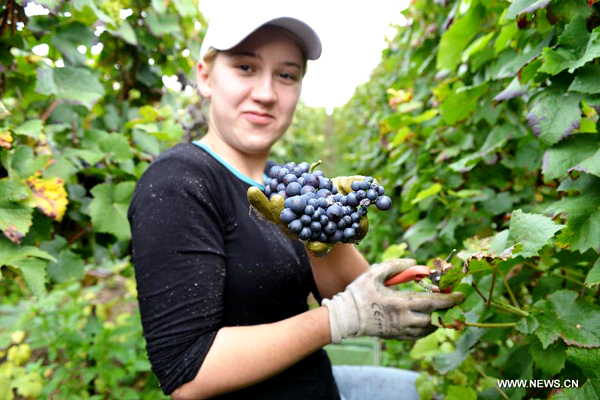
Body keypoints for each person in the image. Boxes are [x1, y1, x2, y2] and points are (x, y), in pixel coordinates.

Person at [127, 9, 465, 400]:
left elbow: (349, 292)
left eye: (286, 74)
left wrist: (331, 231)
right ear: (205, 76)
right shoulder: (178, 182)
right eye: (245, 67)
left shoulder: (282, 184)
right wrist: (338, 320)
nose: (267, 93)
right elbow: (187, 373)